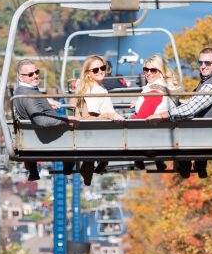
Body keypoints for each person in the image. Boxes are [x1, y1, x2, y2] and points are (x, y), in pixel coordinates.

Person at [148, 47, 212, 178]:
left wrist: (162, 115)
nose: (203, 66)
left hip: (206, 134)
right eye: (201, 63)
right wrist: (181, 101)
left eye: (208, 63)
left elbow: (190, 109)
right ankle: (199, 165)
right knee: (183, 119)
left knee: (175, 124)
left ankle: (183, 165)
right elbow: (198, 102)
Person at [11, 58, 76, 182]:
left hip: (31, 140)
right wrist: (66, 119)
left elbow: (33, 104)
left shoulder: (21, 91)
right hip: (47, 138)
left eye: (36, 72)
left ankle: (33, 170)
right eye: (30, 74)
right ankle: (69, 165)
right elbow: (42, 121)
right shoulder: (28, 95)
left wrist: (47, 101)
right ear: (21, 77)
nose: (35, 76)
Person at [74, 55, 123, 184]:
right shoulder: (92, 90)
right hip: (92, 132)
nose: (100, 71)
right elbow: (87, 117)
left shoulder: (95, 88)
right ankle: (94, 166)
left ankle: (91, 169)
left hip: (95, 131)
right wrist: (111, 115)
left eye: (102, 68)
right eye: (95, 70)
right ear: (88, 74)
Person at [131, 54, 181, 119]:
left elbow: (141, 119)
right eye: (146, 69)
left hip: (151, 128)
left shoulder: (155, 93)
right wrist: (139, 103)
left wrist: (131, 117)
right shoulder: (165, 88)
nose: (148, 73)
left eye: (153, 70)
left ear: (161, 72)